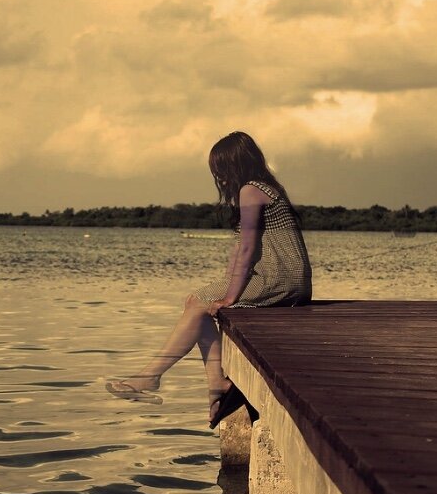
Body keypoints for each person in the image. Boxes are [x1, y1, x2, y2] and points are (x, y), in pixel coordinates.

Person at [106, 131, 312, 428]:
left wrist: (229, 298)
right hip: (280, 275)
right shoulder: (261, 188)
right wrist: (225, 286)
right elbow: (240, 250)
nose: (220, 178)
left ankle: (151, 376)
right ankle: (216, 383)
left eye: (221, 170)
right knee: (195, 302)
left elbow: (247, 248)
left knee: (200, 305)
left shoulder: (251, 190)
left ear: (235, 165)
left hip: (279, 278)